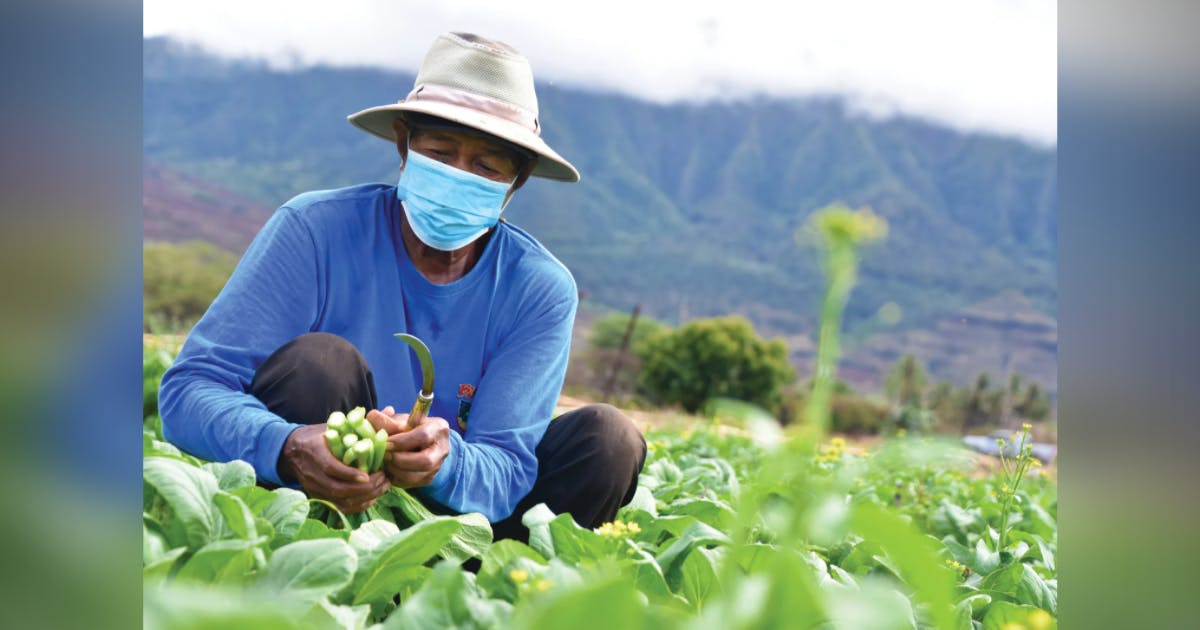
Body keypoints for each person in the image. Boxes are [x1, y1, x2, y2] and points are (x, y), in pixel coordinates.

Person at [159, 32, 646, 541]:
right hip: (319, 511)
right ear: (403, 144)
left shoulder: (538, 288)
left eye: (485, 166)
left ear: (516, 181)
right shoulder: (315, 229)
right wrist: (286, 444)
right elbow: (189, 390)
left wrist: (446, 463)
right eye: (440, 152)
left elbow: (506, 469)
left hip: (464, 536)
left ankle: (489, 596)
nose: (458, 174)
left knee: (608, 440)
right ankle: (308, 565)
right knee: (318, 363)